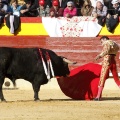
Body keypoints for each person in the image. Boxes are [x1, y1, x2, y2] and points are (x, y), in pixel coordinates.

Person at [94, 36, 120, 101]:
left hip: (107, 61)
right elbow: (114, 50)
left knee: (102, 78)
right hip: (113, 61)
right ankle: (98, 96)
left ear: (104, 39)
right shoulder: (115, 44)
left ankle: (98, 96)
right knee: (116, 79)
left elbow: (106, 51)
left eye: (101, 41)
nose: (101, 43)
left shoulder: (107, 43)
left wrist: (99, 56)